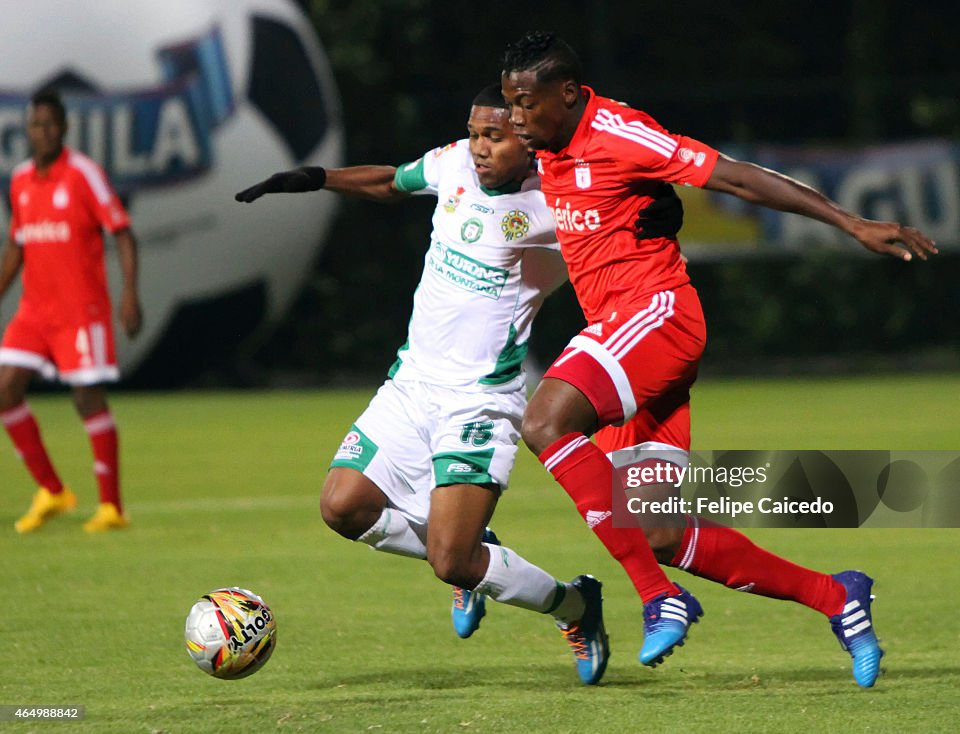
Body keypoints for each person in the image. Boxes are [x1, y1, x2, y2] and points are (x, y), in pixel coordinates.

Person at [500, 31, 937, 686]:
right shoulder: (546, 144)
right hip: (628, 347)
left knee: (544, 423)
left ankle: (657, 597)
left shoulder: (619, 131)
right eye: (507, 104)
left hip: (657, 318)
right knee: (659, 534)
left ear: (566, 95)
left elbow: (734, 175)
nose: (515, 118)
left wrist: (851, 224)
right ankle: (836, 596)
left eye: (524, 103)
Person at [235, 84, 681, 686]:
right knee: (342, 507)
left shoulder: (556, 202)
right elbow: (391, 182)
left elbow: (622, 212)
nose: (477, 148)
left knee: (452, 562)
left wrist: (658, 208)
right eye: (473, 133)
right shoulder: (451, 164)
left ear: (528, 142)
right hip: (411, 382)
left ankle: (576, 606)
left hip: (481, 399)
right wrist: (316, 178)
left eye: (493, 137)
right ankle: (478, 546)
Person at [1, 89, 142, 534]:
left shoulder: (83, 174)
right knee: (4, 389)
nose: (41, 132)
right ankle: (52, 489)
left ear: (63, 128)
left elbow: (121, 231)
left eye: (49, 124)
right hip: (34, 311)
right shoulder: (21, 179)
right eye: (34, 125)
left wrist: (129, 293)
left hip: (81, 312)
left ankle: (112, 507)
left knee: (86, 398)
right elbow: (16, 246)